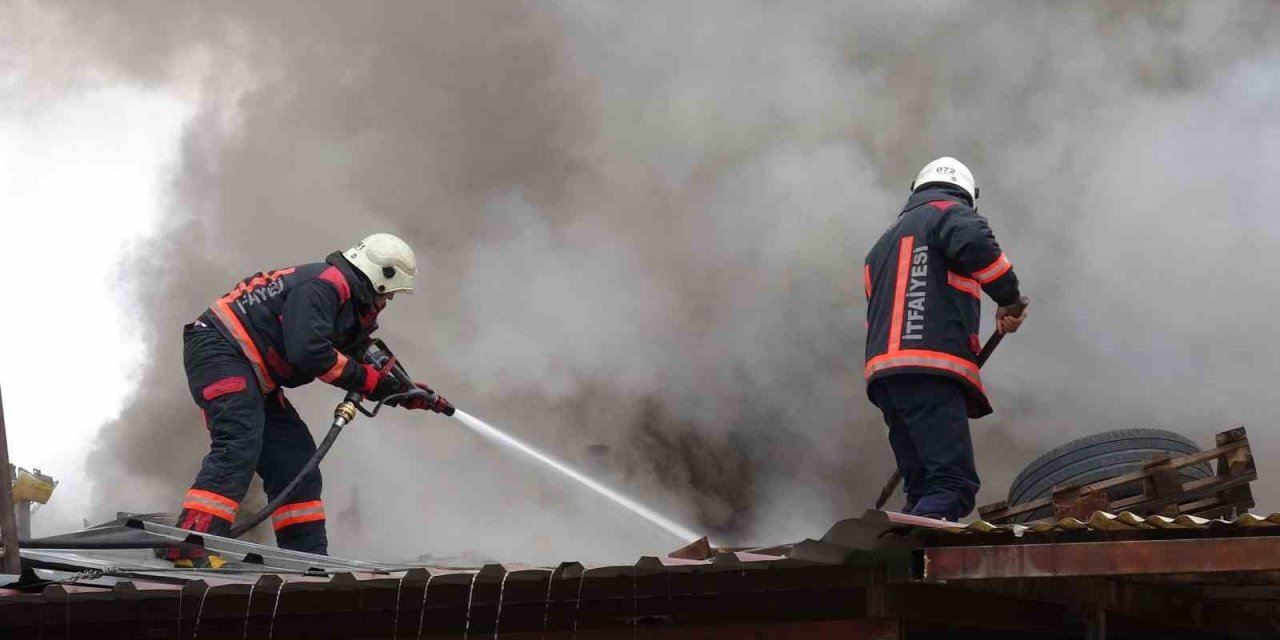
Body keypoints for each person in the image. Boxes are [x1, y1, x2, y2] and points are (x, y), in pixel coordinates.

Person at [170, 233, 446, 567]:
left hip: (256, 374)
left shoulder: (348, 304)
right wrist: (370, 380)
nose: (387, 303)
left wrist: (398, 391)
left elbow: (355, 355)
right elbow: (310, 353)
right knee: (239, 443)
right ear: (378, 279)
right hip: (220, 349)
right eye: (388, 294)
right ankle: (191, 544)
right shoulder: (324, 287)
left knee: (297, 461)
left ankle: (305, 560)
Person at [863, 157, 1027, 521]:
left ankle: (894, 541)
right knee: (953, 485)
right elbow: (974, 242)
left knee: (922, 488)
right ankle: (908, 557)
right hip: (930, 369)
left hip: (887, 379)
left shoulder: (883, 243)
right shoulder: (948, 213)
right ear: (968, 195)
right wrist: (1008, 299)